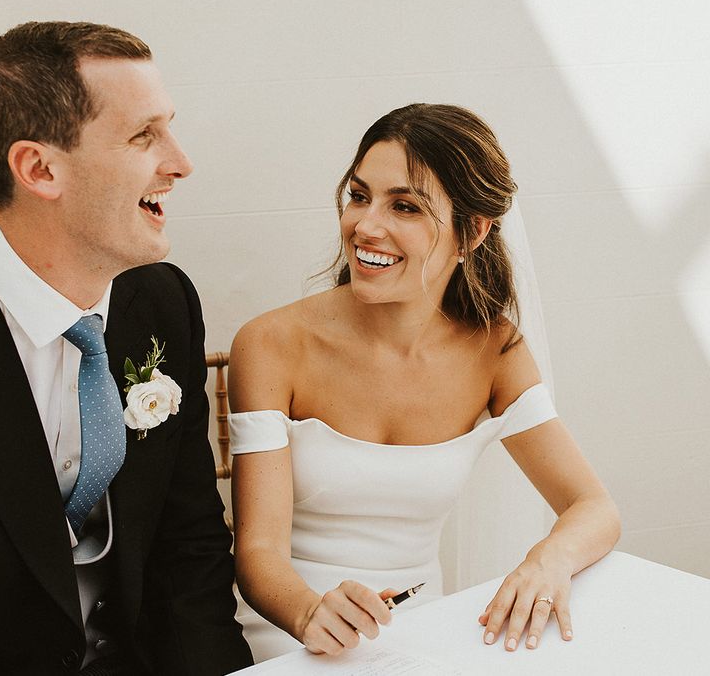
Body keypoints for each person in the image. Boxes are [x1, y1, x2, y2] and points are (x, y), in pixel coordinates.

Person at [228, 103, 621, 662]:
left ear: (474, 230)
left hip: (425, 631)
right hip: (288, 631)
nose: (365, 225)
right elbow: (259, 553)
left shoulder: (494, 350)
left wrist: (547, 560)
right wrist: (309, 612)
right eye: (359, 196)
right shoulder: (271, 344)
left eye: (405, 207)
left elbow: (594, 507)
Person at [0, 21, 252, 675]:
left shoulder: (164, 303)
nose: (180, 162)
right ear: (40, 168)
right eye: (144, 136)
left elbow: (188, 549)